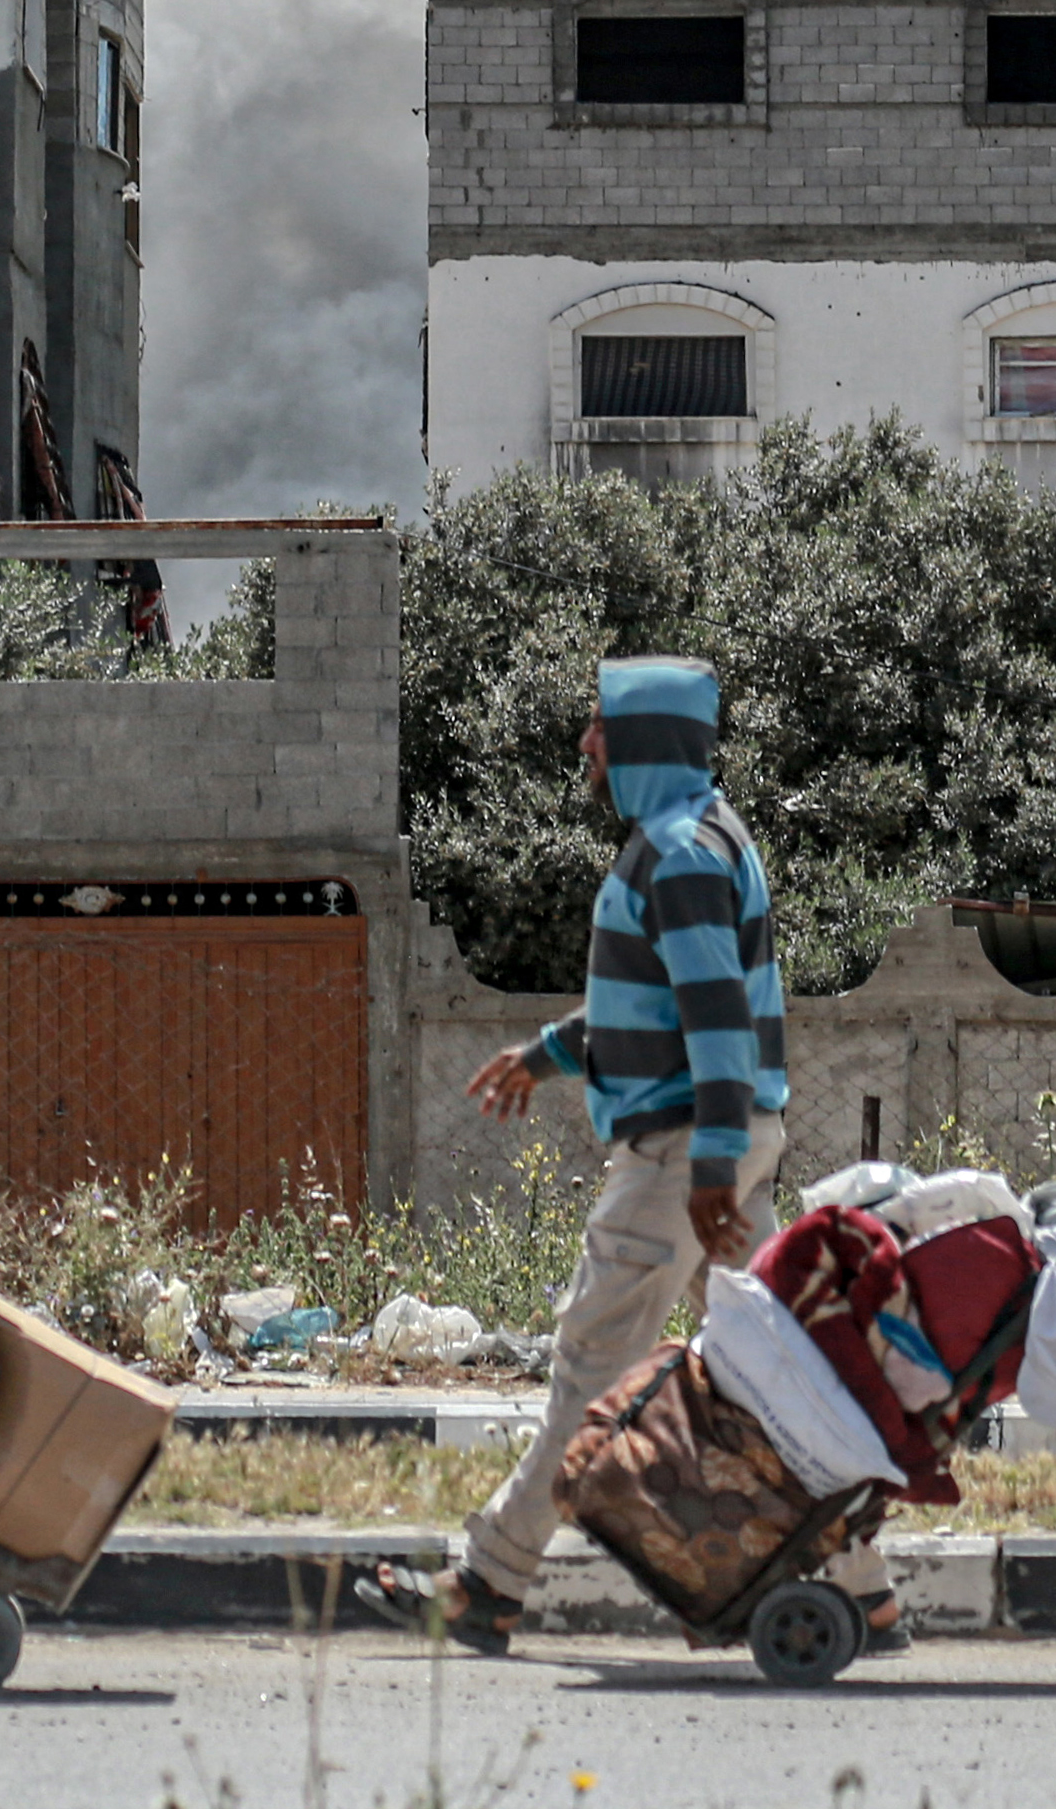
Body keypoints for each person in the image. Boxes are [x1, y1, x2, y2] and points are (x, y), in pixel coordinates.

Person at [358, 656, 898, 1660]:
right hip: (709, 1142)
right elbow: (644, 1008)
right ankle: (864, 1589)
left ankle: (488, 1581)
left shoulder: (682, 853)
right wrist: (546, 1055)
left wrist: (707, 1170)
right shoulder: (684, 842)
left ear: (646, 743)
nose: (585, 746)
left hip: (682, 1152)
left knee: (591, 1366)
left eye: (600, 729)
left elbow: (717, 1022)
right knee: (770, 1377)